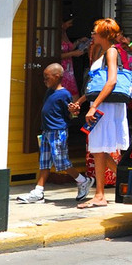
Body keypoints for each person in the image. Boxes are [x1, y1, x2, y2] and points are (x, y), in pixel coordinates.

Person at [70, 17, 130, 208]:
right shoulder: (103, 53)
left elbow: (111, 81)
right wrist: (80, 102)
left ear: (104, 34)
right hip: (103, 104)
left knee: (98, 148)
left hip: (105, 107)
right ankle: (128, 179)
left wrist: (94, 106)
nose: (92, 35)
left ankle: (100, 195)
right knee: (100, 149)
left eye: (94, 32)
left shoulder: (111, 52)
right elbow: (96, 85)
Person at [17, 63, 93, 204]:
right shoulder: (49, 92)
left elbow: (71, 114)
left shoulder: (64, 94)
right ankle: (38, 192)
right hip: (47, 131)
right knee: (44, 162)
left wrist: (73, 111)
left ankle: (83, 180)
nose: (45, 80)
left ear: (57, 77)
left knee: (61, 162)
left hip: (58, 131)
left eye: (47, 77)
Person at [59, 16, 84, 98]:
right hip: (62, 68)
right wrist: (73, 54)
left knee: (73, 92)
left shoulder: (64, 33)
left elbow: (69, 47)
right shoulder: (56, 34)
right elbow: (56, 55)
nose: (70, 25)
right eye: (69, 23)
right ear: (62, 23)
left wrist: (79, 41)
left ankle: (74, 109)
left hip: (69, 69)